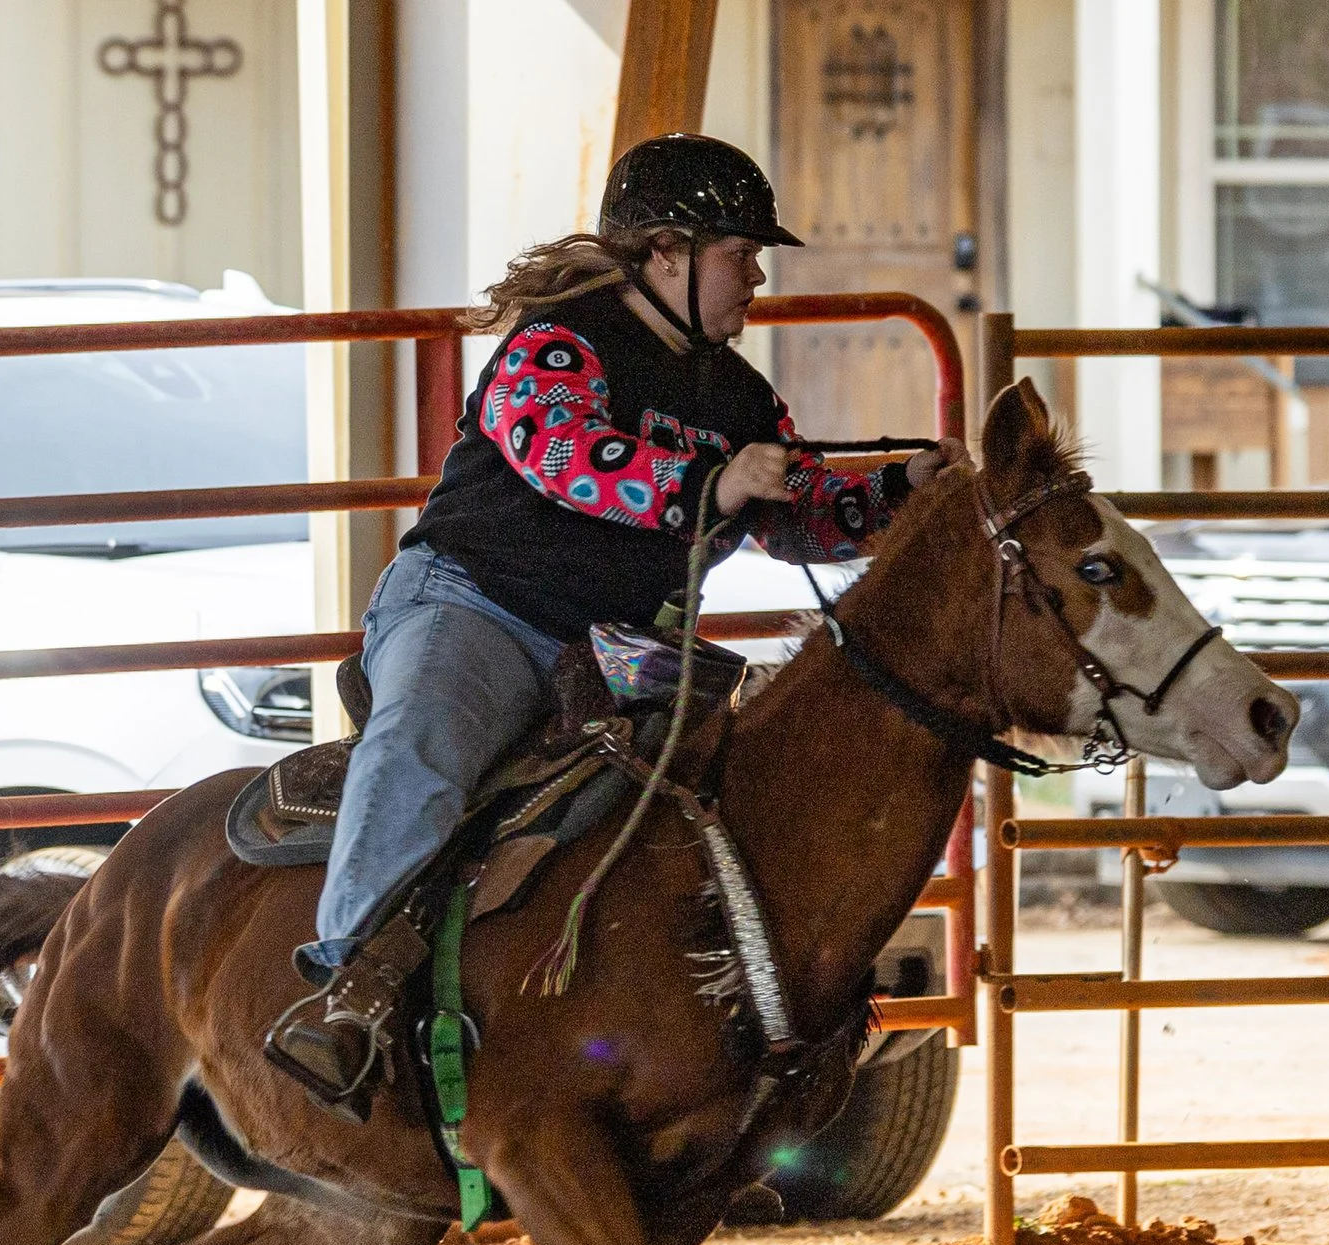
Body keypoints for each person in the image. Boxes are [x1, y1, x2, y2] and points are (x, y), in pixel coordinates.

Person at [267, 133, 967, 1115]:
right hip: (473, 606)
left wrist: (902, 491)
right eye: (739, 252)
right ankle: (347, 994)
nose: (756, 276)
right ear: (668, 253)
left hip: (610, 648)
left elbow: (795, 515)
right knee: (421, 742)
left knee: (741, 780)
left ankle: (744, 1023)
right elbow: (566, 454)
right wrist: (711, 480)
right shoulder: (559, 342)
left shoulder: (739, 397)